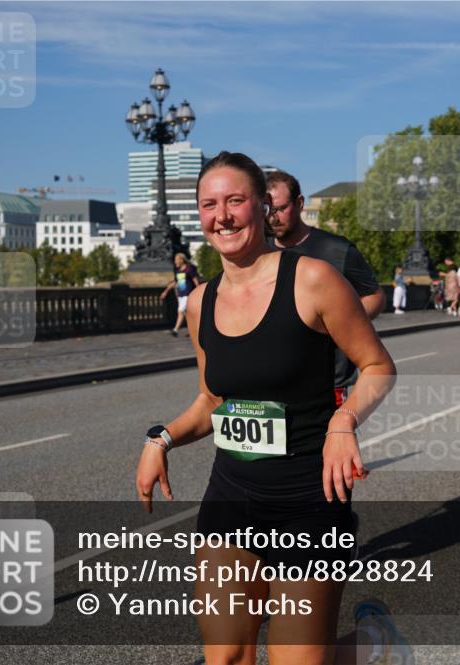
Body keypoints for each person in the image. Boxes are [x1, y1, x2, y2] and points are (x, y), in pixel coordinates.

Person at [135, 152, 396, 665]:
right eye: (209, 205)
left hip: (308, 499)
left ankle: (375, 644)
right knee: (226, 659)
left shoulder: (313, 279)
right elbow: (212, 400)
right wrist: (159, 439)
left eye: (235, 201)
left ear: (262, 207)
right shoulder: (200, 302)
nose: (223, 216)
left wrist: (343, 421)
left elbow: (378, 367)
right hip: (231, 500)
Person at [266, 170, 385, 406]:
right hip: (274, 381)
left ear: (299, 204)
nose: (273, 217)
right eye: (267, 210)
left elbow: (375, 296)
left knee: (333, 442)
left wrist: (338, 321)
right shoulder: (259, 250)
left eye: (280, 208)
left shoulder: (336, 249)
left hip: (328, 383)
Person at [159, 253, 202, 336]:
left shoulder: (189, 269)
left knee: (180, 311)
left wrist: (199, 292)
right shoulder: (178, 270)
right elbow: (175, 282)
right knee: (186, 314)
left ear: (182, 260)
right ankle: (193, 331)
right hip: (180, 295)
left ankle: (175, 330)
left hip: (188, 294)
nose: (175, 262)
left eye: (176, 260)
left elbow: (195, 281)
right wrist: (165, 291)